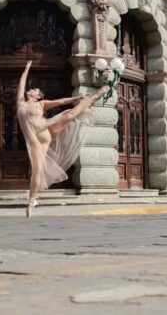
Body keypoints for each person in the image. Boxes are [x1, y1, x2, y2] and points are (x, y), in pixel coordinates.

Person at [16, 60, 109, 217]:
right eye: (31, 89)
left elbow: (60, 101)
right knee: (37, 172)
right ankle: (32, 201)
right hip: (35, 142)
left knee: (69, 113)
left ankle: (95, 97)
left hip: (46, 129)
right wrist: (26, 68)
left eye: (35, 90)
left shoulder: (42, 104)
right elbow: (21, 84)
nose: (30, 90)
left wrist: (76, 98)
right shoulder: (20, 103)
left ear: (38, 96)